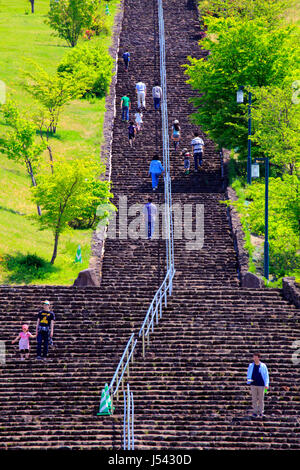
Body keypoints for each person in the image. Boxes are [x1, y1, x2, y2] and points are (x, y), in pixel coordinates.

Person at [247, 352, 269, 418]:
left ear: (259, 358)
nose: (255, 358)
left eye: (256, 357)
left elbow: (266, 375)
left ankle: (261, 412)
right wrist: (249, 380)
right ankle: (255, 412)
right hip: (253, 384)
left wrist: (266, 384)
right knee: (254, 399)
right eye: (254, 357)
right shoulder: (251, 365)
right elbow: (249, 374)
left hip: (261, 385)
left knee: (261, 399)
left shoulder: (263, 366)